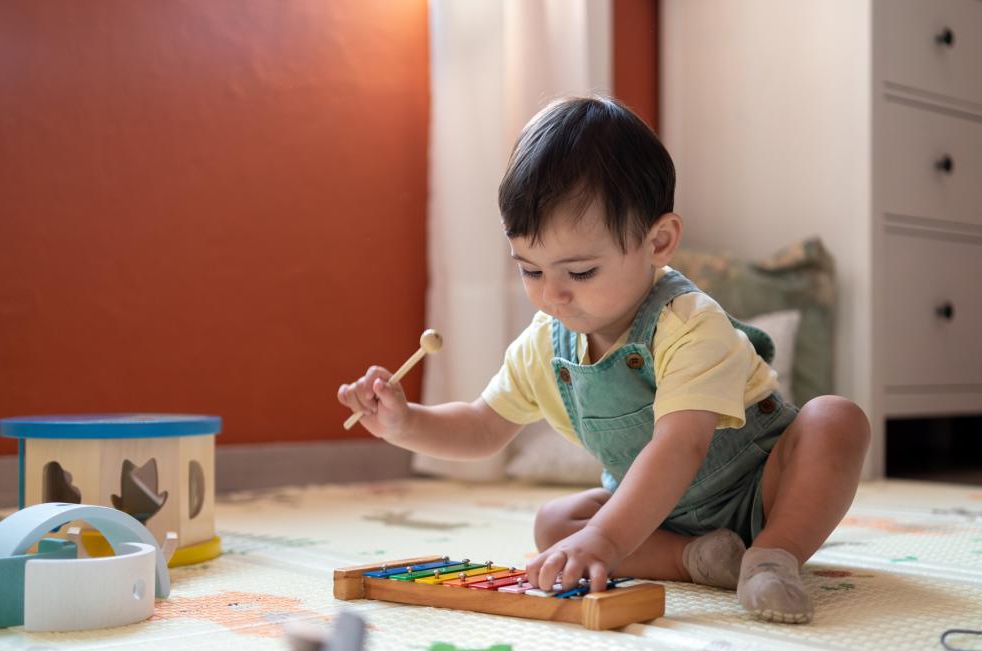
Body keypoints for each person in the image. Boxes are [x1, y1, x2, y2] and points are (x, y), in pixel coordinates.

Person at [337, 96, 869, 623]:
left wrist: (606, 538)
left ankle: (773, 556)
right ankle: (698, 559)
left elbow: (681, 446)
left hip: (760, 492)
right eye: (530, 270)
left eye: (580, 272)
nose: (552, 295)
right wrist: (405, 423)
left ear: (658, 242)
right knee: (554, 525)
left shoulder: (689, 324)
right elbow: (481, 426)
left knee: (835, 420)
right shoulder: (545, 344)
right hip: (656, 522)